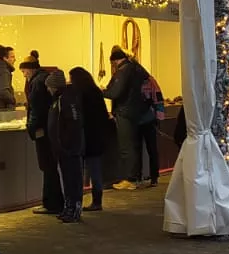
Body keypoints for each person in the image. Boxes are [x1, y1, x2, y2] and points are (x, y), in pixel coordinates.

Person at [105, 46, 160, 190]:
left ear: (115, 61)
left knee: (126, 146)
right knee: (137, 146)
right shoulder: (137, 68)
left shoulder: (123, 71)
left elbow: (115, 92)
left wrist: (102, 91)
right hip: (140, 113)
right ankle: (139, 177)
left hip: (125, 112)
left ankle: (130, 179)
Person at [21, 53, 61, 215]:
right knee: (51, 166)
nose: (23, 75)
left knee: (47, 166)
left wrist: (31, 128)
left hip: (42, 130)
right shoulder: (45, 78)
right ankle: (56, 201)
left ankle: (51, 203)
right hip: (50, 128)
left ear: (29, 70)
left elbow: (36, 109)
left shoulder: (36, 83)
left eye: (23, 72)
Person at [45, 70, 84, 223]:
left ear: (54, 86)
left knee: (73, 179)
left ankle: (74, 208)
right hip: (63, 148)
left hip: (69, 148)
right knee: (67, 179)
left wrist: (66, 144)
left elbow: (73, 123)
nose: (48, 90)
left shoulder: (66, 100)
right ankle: (68, 207)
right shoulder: (59, 99)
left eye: (49, 87)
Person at [69, 67, 110, 212]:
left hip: (85, 136)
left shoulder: (79, 95)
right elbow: (104, 115)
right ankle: (97, 200)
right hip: (97, 136)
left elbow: (79, 117)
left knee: (83, 171)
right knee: (95, 170)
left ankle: (81, 201)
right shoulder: (96, 92)